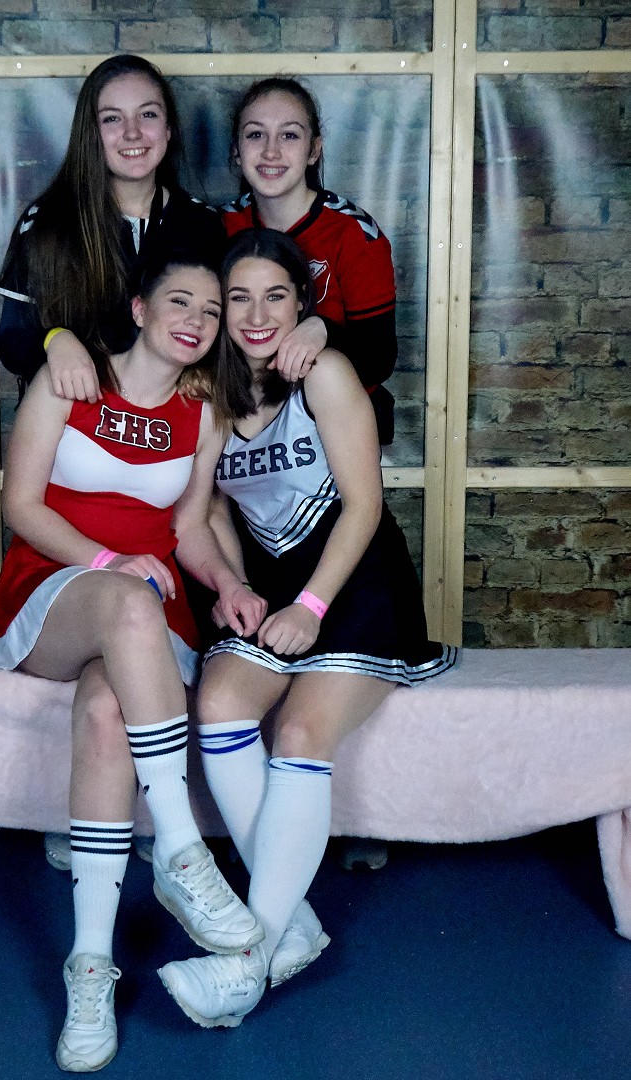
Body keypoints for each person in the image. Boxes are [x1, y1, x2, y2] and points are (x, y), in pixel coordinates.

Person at [158, 229, 457, 1027]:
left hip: (354, 587)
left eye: (276, 296)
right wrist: (230, 586)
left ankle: (247, 962)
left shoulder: (324, 372)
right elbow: (196, 515)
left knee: (297, 733)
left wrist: (313, 607)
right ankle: (291, 923)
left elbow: (364, 505)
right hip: (273, 590)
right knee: (220, 704)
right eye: (240, 298)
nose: (257, 315)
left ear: (303, 305)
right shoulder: (207, 390)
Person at [0, 252, 267, 1072]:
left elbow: (188, 528)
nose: (196, 321)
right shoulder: (72, 379)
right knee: (130, 602)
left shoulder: (202, 412)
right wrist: (109, 562)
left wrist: (230, 585)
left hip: (148, 609)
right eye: (179, 302)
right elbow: (19, 505)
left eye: (210, 312)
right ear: (140, 309)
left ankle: (88, 967)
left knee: (108, 712)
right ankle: (180, 847)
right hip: (57, 591)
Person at [0, 53, 225, 402]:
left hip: (171, 420)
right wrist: (55, 339)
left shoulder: (203, 225)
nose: (132, 132)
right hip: (75, 419)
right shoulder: (48, 221)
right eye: (112, 118)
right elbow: (12, 339)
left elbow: (220, 337)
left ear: (168, 128)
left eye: (148, 114)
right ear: (91, 132)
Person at [222, 77, 398, 445]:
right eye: (255, 135)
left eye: (289, 135)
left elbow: (380, 357)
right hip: (241, 420)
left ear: (314, 150)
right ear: (236, 150)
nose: (271, 152)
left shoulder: (353, 233)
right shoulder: (218, 227)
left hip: (329, 428)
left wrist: (322, 330)